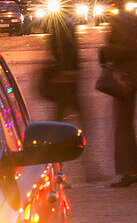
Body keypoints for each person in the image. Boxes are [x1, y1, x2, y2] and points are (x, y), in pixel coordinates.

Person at [99, 0, 137, 187]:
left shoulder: (122, 14)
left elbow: (128, 46)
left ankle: (131, 171)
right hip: (130, 72)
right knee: (123, 123)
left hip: (126, 74)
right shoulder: (123, 10)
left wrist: (105, 52)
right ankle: (132, 170)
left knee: (123, 124)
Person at [43, 13, 101, 181]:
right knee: (66, 129)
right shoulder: (63, 31)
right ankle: (69, 169)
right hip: (65, 86)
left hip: (67, 86)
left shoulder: (60, 29)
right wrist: (68, 71)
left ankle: (63, 169)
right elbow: (65, 55)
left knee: (60, 128)